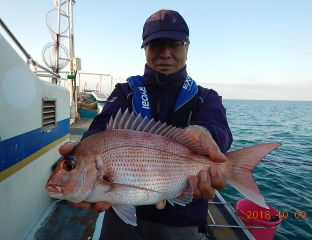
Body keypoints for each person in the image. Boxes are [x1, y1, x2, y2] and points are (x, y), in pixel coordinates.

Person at [59, 9, 233, 240]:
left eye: (174, 44)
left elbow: (217, 125)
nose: (165, 53)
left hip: (182, 218)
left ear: (187, 48)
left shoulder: (206, 97)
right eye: (155, 45)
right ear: (145, 50)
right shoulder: (125, 92)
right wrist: (88, 149)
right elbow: (101, 126)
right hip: (121, 217)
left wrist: (206, 134)